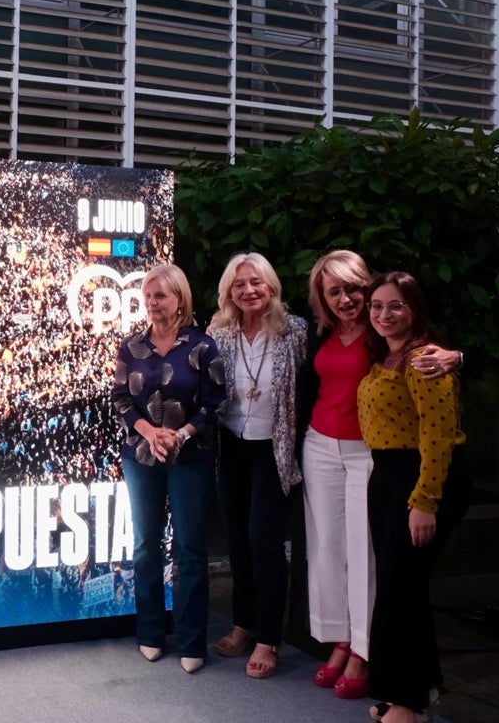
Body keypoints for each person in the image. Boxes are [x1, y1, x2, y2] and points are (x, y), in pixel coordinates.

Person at [302, 251, 463, 699]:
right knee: (329, 549)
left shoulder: (385, 336)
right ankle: (340, 640)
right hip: (320, 446)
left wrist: (456, 356)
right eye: (333, 291)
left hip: (372, 455)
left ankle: (366, 651)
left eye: (353, 289)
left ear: (366, 287)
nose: (346, 299)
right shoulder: (321, 334)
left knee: (369, 556)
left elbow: (431, 367)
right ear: (322, 298)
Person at [358, 272, 469, 723]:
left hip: (422, 480)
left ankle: (409, 702)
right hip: (386, 477)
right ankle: (413, 689)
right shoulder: (385, 357)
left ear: (415, 309)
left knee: (402, 590)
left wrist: (425, 501)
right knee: (397, 588)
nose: (384, 314)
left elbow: (438, 435)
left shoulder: (425, 360)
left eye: (396, 305)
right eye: (377, 306)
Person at [111, 263, 224, 674]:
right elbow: (121, 398)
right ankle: (150, 632)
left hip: (190, 457)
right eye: (148, 296)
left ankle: (193, 639)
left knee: (190, 549)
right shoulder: (130, 347)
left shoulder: (203, 346)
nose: (153, 303)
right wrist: (149, 431)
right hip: (141, 456)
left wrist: (181, 434)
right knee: (146, 546)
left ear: (180, 298)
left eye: (160, 295)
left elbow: (216, 402)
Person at [207, 253, 307, 679]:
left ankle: (269, 637)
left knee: (265, 541)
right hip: (230, 444)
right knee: (237, 541)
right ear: (229, 291)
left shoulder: (296, 331)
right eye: (239, 284)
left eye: (256, 282)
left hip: (275, 447)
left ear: (271, 286)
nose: (248, 290)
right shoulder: (219, 331)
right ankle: (243, 623)